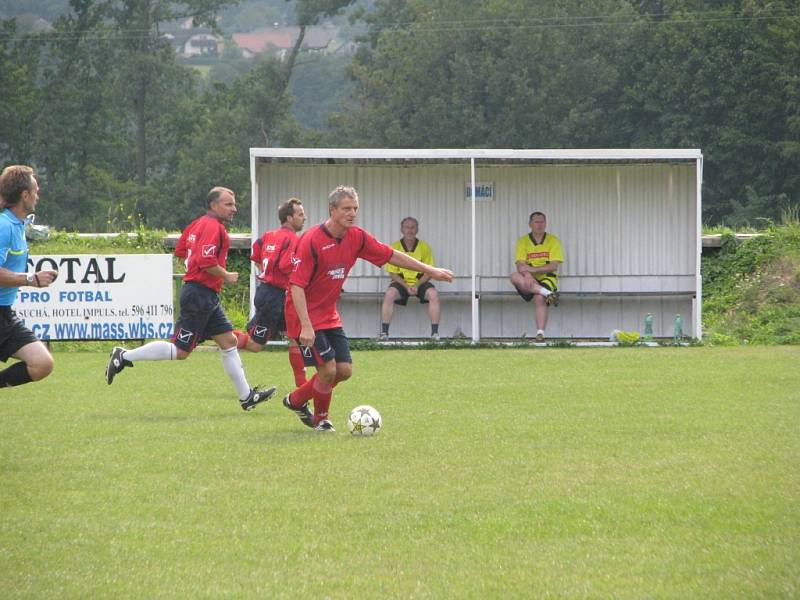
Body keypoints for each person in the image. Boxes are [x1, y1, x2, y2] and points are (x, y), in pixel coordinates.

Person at [282, 186, 454, 432]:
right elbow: (296, 286)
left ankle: (296, 400)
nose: (352, 213)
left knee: (344, 371)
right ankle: (321, 420)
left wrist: (430, 270)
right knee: (328, 370)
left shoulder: (357, 237)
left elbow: (391, 255)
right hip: (303, 316)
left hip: (328, 313)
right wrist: (306, 326)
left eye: (355, 209)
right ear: (332, 210)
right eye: (346, 209)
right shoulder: (311, 240)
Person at [105, 186, 276, 411]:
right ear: (213, 205)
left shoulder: (197, 224)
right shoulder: (213, 227)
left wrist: (196, 265)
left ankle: (246, 397)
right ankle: (124, 355)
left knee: (228, 342)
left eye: (234, 204)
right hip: (199, 294)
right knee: (180, 350)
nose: (234, 209)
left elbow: (182, 250)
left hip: (205, 294)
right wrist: (226, 275)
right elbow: (205, 261)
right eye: (228, 204)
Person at [234, 198, 308, 387]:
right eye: (300, 214)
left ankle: (302, 387)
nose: (304, 218)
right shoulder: (292, 239)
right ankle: (220, 334)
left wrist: (267, 272)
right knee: (256, 345)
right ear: (289, 218)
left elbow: (256, 252)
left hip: (268, 292)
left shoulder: (269, 235)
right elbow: (286, 265)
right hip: (276, 296)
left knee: (296, 337)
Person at [0, 165, 57, 388]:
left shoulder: (18, 225)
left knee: (42, 364)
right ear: (25, 195)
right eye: (35, 190)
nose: (38, 195)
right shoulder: (4, 226)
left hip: (4, 313)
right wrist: (31, 279)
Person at [379, 217, 441, 341]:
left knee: (433, 294)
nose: (410, 230)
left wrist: (417, 285)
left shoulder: (424, 247)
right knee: (390, 294)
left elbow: (429, 272)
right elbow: (393, 273)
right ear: (402, 229)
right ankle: (384, 333)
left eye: (413, 227)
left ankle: (435, 334)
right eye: (407, 227)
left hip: (420, 282)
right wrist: (406, 286)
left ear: (417, 229)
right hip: (401, 283)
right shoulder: (395, 247)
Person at [509, 211, 564, 343]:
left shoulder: (553, 240)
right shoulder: (522, 241)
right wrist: (528, 275)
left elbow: (553, 266)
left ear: (546, 224)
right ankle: (548, 293)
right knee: (514, 276)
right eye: (536, 222)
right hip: (528, 280)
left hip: (547, 278)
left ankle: (540, 333)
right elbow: (520, 265)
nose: (539, 225)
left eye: (542, 222)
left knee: (539, 298)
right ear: (530, 224)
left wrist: (532, 269)